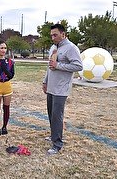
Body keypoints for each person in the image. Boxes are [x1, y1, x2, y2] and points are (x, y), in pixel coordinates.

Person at [42, 24, 83, 155]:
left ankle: (57, 144)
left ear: (63, 34)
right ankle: (54, 134)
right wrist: (45, 81)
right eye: (51, 35)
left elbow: (78, 66)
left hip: (61, 88)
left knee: (57, 116)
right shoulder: (53, 47)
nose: (53, 37)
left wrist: (58, 65)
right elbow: (50, 66)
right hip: (51, 87)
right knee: (51, 113)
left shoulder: (71, 48)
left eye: (55, 35)